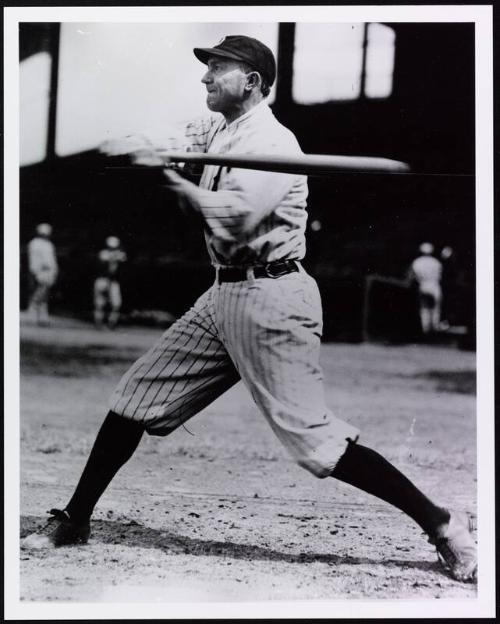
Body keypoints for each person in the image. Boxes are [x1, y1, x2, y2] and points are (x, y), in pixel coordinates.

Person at [23, 35, 476, 582]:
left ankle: (443, 522)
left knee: (315, 442)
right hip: (225, 292)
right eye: (207, 68)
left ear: (253, 81)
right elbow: (181, 136)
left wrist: (164, 175)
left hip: (273, 297)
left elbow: (230, 218)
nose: (206, 78)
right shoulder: (222, 127)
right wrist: (143, 142)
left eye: (218, 69)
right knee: (134, 398)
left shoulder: (272, 143)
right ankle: (75, 519)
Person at [26, 222, 58, 326]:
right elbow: (34, 260)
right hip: (40, 271)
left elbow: (52, 260)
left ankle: (43, 318)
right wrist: (34, 272)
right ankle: (32, 315)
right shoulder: (34, 243)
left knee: (44, 296)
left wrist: (55, 271)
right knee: (39, 294)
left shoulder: (49, 244)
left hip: (49, 272)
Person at [408, 242, 443, 335]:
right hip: (434, 286)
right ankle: (435, 330)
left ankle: (425, 330)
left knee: (424, 309)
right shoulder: (437, 262)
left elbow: (412, 276)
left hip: (423, 285)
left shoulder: (416, 262)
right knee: (435, 309)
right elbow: (440, 276)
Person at [93, 236, 127, 329]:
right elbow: (106, 260)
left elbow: (123, 258)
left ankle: (111, 323)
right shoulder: (103, 253)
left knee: (116, 304)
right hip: (102, 280)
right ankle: (98, 323)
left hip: (113, 281)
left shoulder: (119, 254)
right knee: (100, 303)